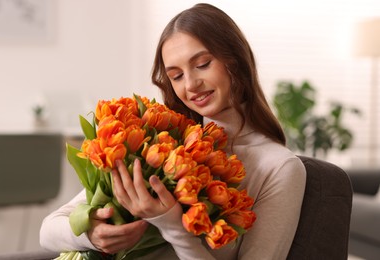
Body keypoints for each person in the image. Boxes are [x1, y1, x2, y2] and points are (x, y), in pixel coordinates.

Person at [40, 3, 306, 260]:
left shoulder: (279, 167)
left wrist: (172, 226)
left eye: (202, 64)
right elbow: (48, 230)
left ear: (235, 60)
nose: (191, 84)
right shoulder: (161, 142)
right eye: (176, 76)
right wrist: (93, 234)